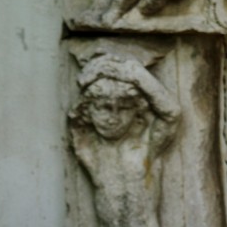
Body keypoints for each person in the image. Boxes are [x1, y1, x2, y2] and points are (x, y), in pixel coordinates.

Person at [69, 54, 181, 227]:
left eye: (124, 109)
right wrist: (93, 73)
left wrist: (137, 75)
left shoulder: (146, 145)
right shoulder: (88, 148)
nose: (113, 119)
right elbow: (74, 116)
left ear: (137, 111)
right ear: (87, 111)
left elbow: (171, 113)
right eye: (103, 108)